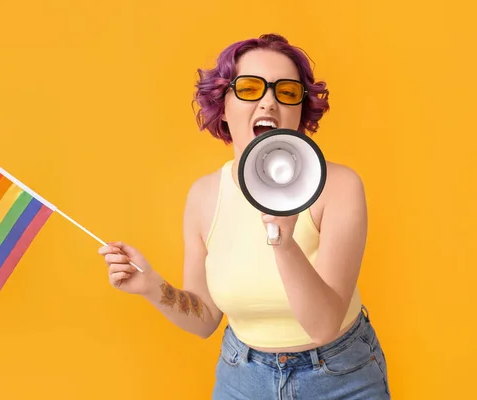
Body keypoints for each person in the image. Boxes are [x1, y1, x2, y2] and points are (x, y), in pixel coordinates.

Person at [98, 33, 390, 399]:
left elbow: (324, 325)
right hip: (243, 378)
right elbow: (205, 318)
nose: (268, 102)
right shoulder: (204, 196)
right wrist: (151, 285)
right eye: (250, 88)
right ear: (223, 104)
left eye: (286, 92)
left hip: (339, 376)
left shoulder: (340, 186)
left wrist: (282, 242)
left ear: (300, 110)